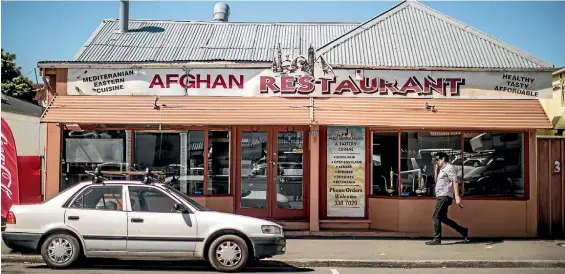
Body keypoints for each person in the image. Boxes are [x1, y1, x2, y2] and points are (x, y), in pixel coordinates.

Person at [426, 152, 469, 245]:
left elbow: (455, 181)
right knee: (443, 218)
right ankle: (463, 231)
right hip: (440, 196)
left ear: (443, 159)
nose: (436, 161)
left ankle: (437, 239)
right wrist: (435, 171)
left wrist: (457, 196)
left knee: (435, 217)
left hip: (444, 196)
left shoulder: (449, 168)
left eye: (437, 159)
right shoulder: (442, 169)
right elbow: (436, 182)